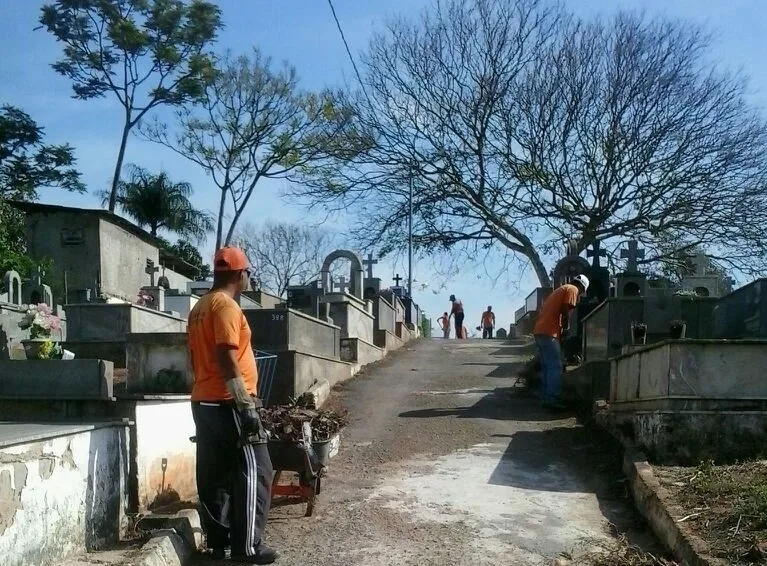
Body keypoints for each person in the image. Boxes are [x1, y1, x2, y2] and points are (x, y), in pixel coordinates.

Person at [188, 246, 278, 564]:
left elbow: (197, 356)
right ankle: (248, 547)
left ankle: (218, 543)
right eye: (248, 274)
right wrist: (244, 404)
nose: (249, 279)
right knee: (257, 469)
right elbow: (227, 356)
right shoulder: (225, 306)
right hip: (228, 402)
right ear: (240, 274)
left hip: (204, 401)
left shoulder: (200, 306)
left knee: (214, 473)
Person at [532, 274, 589, 410]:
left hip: (540, 331)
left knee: (547, 366)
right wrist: (566, 328)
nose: (580, 294)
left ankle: (546, 397)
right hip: (549, 332)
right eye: (582, 291)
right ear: (581, 286)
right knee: (555, 366)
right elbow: (565, 308)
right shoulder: (572, 289)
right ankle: (552, 399)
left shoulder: (560, 289)